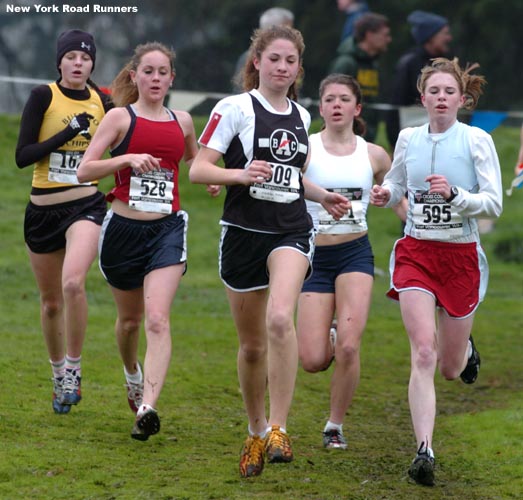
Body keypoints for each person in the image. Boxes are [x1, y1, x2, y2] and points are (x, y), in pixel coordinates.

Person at [189, 25, 350, 478]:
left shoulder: (302, 115)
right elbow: (200, 171)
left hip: (292, 231)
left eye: (291, 61)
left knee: (281, 317)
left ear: (299, 68)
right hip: (242, 233)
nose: (282, 68)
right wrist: (239, 175)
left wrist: (322, 196)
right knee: (253, 345)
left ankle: (280, 427)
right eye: (274, 59)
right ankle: (256, 430)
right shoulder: (234, 108)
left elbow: (292, 177)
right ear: (257, 61)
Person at [370, 57, 503, 486]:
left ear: (462, 100)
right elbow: (396, 183)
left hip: (460, 256)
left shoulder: (477, 140)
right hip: (416, 253)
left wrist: (457, 196)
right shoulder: (408, 138)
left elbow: (494, 203)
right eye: (435, 92)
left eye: (450, 92)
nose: (442, 98)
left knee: (448, 366)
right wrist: (385, 192)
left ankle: (466, 352)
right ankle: (423, 449)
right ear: (422, 98)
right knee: (422, 352)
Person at [77, 42, 198, 440]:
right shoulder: (119, 119)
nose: (156, 79)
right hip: (123, 232)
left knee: (157, 319)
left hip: (167, 229)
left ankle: (147, 407)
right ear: (135, 76)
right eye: (149, 71)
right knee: (129, 321)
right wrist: (125, 160)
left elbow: (196, 163)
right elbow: (85, 170)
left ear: (172, 79)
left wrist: (214, 179)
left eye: (163, 72)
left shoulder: (182, 121)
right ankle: (132, 372)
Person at [296, 73, 398, 450]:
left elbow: (395, 191)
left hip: (355, 252)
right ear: (320, 107)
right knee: (312, 359)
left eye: (344, 99)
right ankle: (332, 335)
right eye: (329, 99)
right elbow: (287, 181)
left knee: (351, 348)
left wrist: (394, 201)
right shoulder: (305, 149)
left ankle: (334, 426)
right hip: (312, 256)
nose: (336, 105)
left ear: (357, 109)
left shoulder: (373, 154)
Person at [15, 29, 112, 415]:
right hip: (42, 210)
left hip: (85, 206)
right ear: (60, 62)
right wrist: (66, 134)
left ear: (92, 64)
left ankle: (74, 368)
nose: (78, 63)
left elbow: (123, 145)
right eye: (71, 57)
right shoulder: (43, 96)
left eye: (85, 58)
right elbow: (23, 156)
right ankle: (58, 375)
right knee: (52, 302)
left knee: (73, 283)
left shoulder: (104, 102)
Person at [385, 10, 452, 149]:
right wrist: (395, 144)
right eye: (444, 33)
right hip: (413, 143)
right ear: (431, 37)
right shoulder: (409, 64)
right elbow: (395, 106)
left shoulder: (446, 63)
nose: (449, 38)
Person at [329, 12, 392, 142]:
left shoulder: (373, 64)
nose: (388, 39)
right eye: (385, 35)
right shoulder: (346, 63)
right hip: (345, 139)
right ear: (369, 35)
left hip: (368, 137)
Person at [232, 7, 294, 92]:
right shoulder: (248, 58)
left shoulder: (292, 55)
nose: (293, 34)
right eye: (273, 59)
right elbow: (241, 92)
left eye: (291, 61)